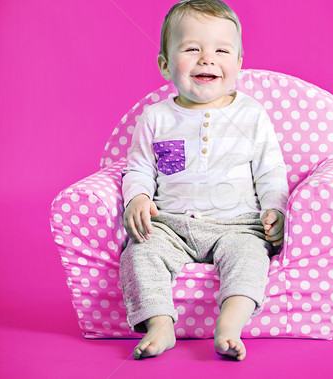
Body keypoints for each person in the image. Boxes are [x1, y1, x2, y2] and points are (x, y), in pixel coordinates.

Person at [119, 0, 288, 361]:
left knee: (250, 257)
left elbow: (270, 170)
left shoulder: (251, 115)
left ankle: (230, 323)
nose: (207, 59)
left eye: (222, 50)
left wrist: (275, 209)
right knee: (139, 252)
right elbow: (138, 168)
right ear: (165, 65)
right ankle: (160, 323)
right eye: (192, 49)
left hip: (236, 224)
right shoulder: (156, 118)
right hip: (172, 226)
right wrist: (138, 196)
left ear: (239, 65)